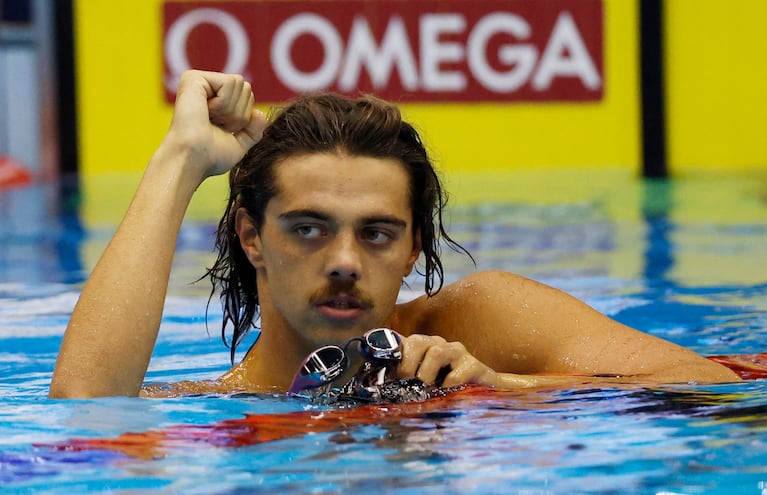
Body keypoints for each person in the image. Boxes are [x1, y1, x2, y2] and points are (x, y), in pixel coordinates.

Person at [49, 70, 738, 399]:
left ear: (414, 247)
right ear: (251, 238)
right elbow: (82, 421)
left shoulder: (475, 321)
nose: (345, 261)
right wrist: (182, 160)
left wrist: (500, 386)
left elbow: (716, 389)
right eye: (308, 228)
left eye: (377, 234)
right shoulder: (215, 406)